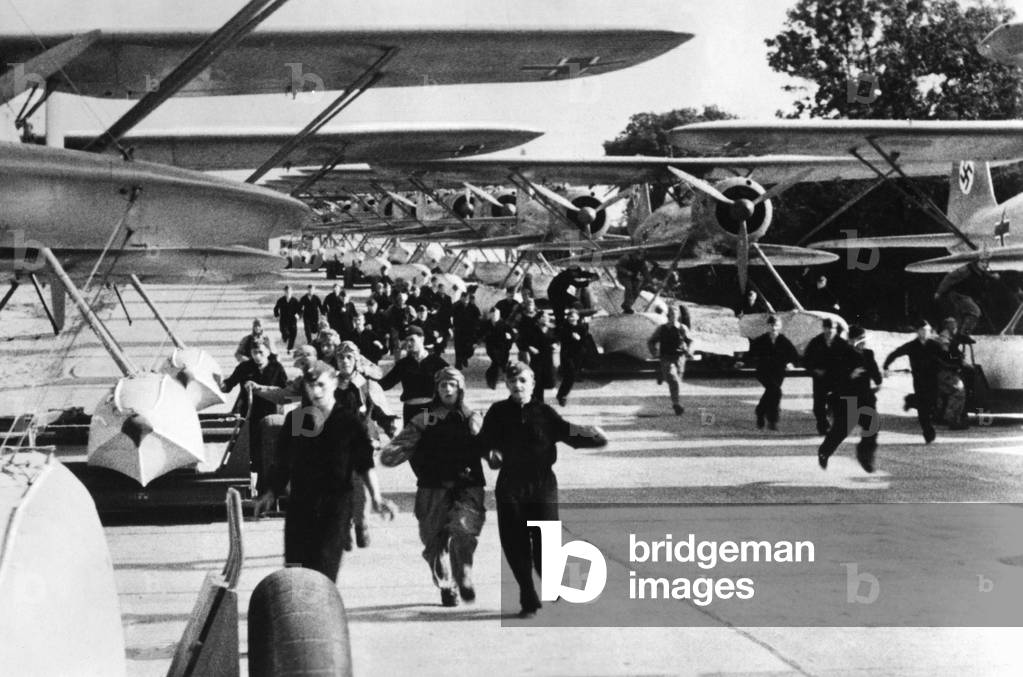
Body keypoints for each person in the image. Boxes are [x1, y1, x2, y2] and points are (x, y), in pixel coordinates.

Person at [474, 362, 608, 618]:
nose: (518, 386)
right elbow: (482, 441)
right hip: (511, 485)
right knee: (515, 543)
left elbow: (569, 433)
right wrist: (488, 452)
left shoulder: (544, 413)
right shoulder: (498, 411)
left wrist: (594, 437)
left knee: (546, 543)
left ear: (533, 384)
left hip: (542, 484)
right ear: (507, 385)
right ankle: (527, 596)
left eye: (523, 381)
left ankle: (550, 577)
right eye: (513, 381)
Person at [253, 362, 396, 582]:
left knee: (323, 569)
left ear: (335, 383)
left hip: (335, 506)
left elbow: (364, 464)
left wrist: (376, 498)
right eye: (311, 386)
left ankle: (321, 612)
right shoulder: (297, 419)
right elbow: (283, 462)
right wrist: (270, 493)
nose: (316, 391)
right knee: (295, 569)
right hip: (301, 504)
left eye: (321, 385)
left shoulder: (348, 422)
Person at [381, 367, 485, 606]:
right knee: (434, 543)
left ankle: (463, 576)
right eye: (442, 385)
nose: (447, 389)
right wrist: (395, 452)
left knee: (463, 531)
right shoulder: (426, 418)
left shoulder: (472, 417)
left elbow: (489, 446)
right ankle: (447, 584)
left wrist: (494, 451)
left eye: (452, 385)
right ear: (436, 389)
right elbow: (401, 445)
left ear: (460, 388)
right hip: (432, 486)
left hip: (466, 485)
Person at [817, 325, 883, 472]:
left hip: (865, 398)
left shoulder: (868, 354)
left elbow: (876, 375)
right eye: (859, 339)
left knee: (872, 427)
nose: (863, 343)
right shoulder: (841, 354)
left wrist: (878, 381)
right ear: (851, 340)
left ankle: (864, 456)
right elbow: (831, 377)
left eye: (864, 339)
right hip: (847, 399)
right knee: (841, 430)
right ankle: (824, 452)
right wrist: (849, 375)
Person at [220, 342, 287, 486]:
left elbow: (285, 390)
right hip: (251, 414)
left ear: (268, 352)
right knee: (253, 450)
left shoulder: (276, 368)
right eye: (254, 352)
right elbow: (229, 384)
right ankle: (256, 480)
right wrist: (221, 384)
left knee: (270, 450)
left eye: (261, 352)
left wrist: (262, 389)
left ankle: (268, 482)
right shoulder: (245, 367)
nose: (258, 356)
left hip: (270, 413)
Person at [883, 319, 948, 444]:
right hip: (919, 380)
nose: (925, 333)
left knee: (932, 404)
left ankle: (911, 399)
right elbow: (895, 353)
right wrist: (886, 366)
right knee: (923, 409)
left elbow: (946, 356)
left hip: (933, 379)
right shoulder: (912, 346)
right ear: (918, 331)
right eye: (923, 330)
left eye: (928, 330)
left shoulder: (934, 345)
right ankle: (928, 432)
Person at [379, 326, 450, 423]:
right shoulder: (403, 364)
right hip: (410, 410)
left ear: (422, 339)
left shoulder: (437, 362)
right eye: (406, 340)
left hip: (428, 409)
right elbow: (386, 383)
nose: (408, 343)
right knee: (409, 437)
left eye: (412, 340)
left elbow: (452, 380)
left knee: (429, 437)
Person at [746, 315, 799, 431]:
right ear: (768, 326)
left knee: (773, 393)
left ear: (780, 327)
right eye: (771, 325)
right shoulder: (761, 340)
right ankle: (772, 420)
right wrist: (742, 362)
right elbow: (750, 353)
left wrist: (790, 363)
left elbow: (793, 354)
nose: (774, 328)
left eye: (776, 325)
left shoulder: (783, 340)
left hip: (778, 372)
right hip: (764, 371)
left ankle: (761, 412)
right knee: (776, 391)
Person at [802, 318, 847, 435]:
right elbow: (805, 360)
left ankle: (834, 418)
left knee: (837, 401)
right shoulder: (816, 342)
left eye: (832, 328)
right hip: (820, 378)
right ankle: (823, 425)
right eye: (827, 328)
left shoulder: (842, 344)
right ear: (823, 328)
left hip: (836, 378)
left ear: (836, 329)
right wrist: (814, 370)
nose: (829, 331)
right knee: (818, 405)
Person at [647, 304, 693, 416]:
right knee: (673, 380)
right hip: (666, 357)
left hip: (679, 358)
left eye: (675, 314)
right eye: (671, 313)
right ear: (668, 315)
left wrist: (688, 350)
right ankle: (676, 404)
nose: (673, 316)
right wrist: (655, 352)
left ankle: (663, 375)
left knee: (676, 379)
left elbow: (690, 341)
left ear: (678, 316)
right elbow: (651, 341)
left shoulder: (682, 328)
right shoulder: (662, 329)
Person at [934, 260, 999, 335]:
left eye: (986, 263)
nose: (984, 265)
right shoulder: (966, 270)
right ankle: (963, 334)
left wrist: (992, 276)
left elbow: (985, 274)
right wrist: (939, 291)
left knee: (962, 316)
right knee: (975, 311)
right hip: (959, 295)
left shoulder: (981, 271)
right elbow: (950, 278)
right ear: (976, 262)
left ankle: (957, 336)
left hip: (966, 296)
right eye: (982, 262)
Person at [935, 317, 969, 429]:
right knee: (958, 391)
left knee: (943, 394)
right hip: (944, 371)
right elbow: (946, 355)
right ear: (947, 326)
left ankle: (940, 416)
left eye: (955, 325)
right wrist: (959, 359)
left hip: (943, 371)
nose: (955, 327)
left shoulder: (948, 337)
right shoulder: (944, 339)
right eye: (952, 325)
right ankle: (953, 420)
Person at [555, 307, 589, 407]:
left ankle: (561, 394)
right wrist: (570, 335)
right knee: (570, 373)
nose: (571, 318)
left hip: (577, 354)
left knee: (571, 376)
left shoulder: (582, 327)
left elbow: (585, 341)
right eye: (569, 316)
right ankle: (562, 395)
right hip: (567, 354)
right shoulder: (564, 327)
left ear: (577, 317)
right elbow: (560, 337)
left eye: (573, 316)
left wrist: (579, 338)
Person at [482, 306, 516, 389]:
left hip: (503, 348)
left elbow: (513, 336)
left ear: (499, 315)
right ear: (490, 315)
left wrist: (509, 337)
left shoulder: (504, 325)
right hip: (492, 348)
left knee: (503, 364)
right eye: (493, 315)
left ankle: (505, 380)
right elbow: (480, 334)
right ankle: (492, 381)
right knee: (496, 362)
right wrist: (483, 339)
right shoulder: (487, 324)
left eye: (496, 315)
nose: (495, 317)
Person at [452, 287, 481, 369]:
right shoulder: (456, 306)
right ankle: (458, 363)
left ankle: (464, 358)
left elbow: (478, 318)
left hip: (469, 331)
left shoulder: (473, 307)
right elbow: (450, 316)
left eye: (467, 299)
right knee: (458, 348)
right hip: (459, 330)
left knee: (469, 349)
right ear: (461, 298)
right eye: (463, 298)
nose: (465, 300)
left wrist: (477, 328)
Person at [273, 285, 301, 352]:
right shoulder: (281, 300)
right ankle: (284, 337)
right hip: (283, 321)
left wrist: (298, 315)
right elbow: (276, 308)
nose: (288, 293)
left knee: (293, 334)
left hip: (292, 321)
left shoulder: (295, 300)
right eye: (286, 292)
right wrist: (277, 315)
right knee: (285, 333)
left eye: (289, 291)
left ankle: (289, 348)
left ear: (292, 292)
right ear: (284, 292)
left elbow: (300, 310)